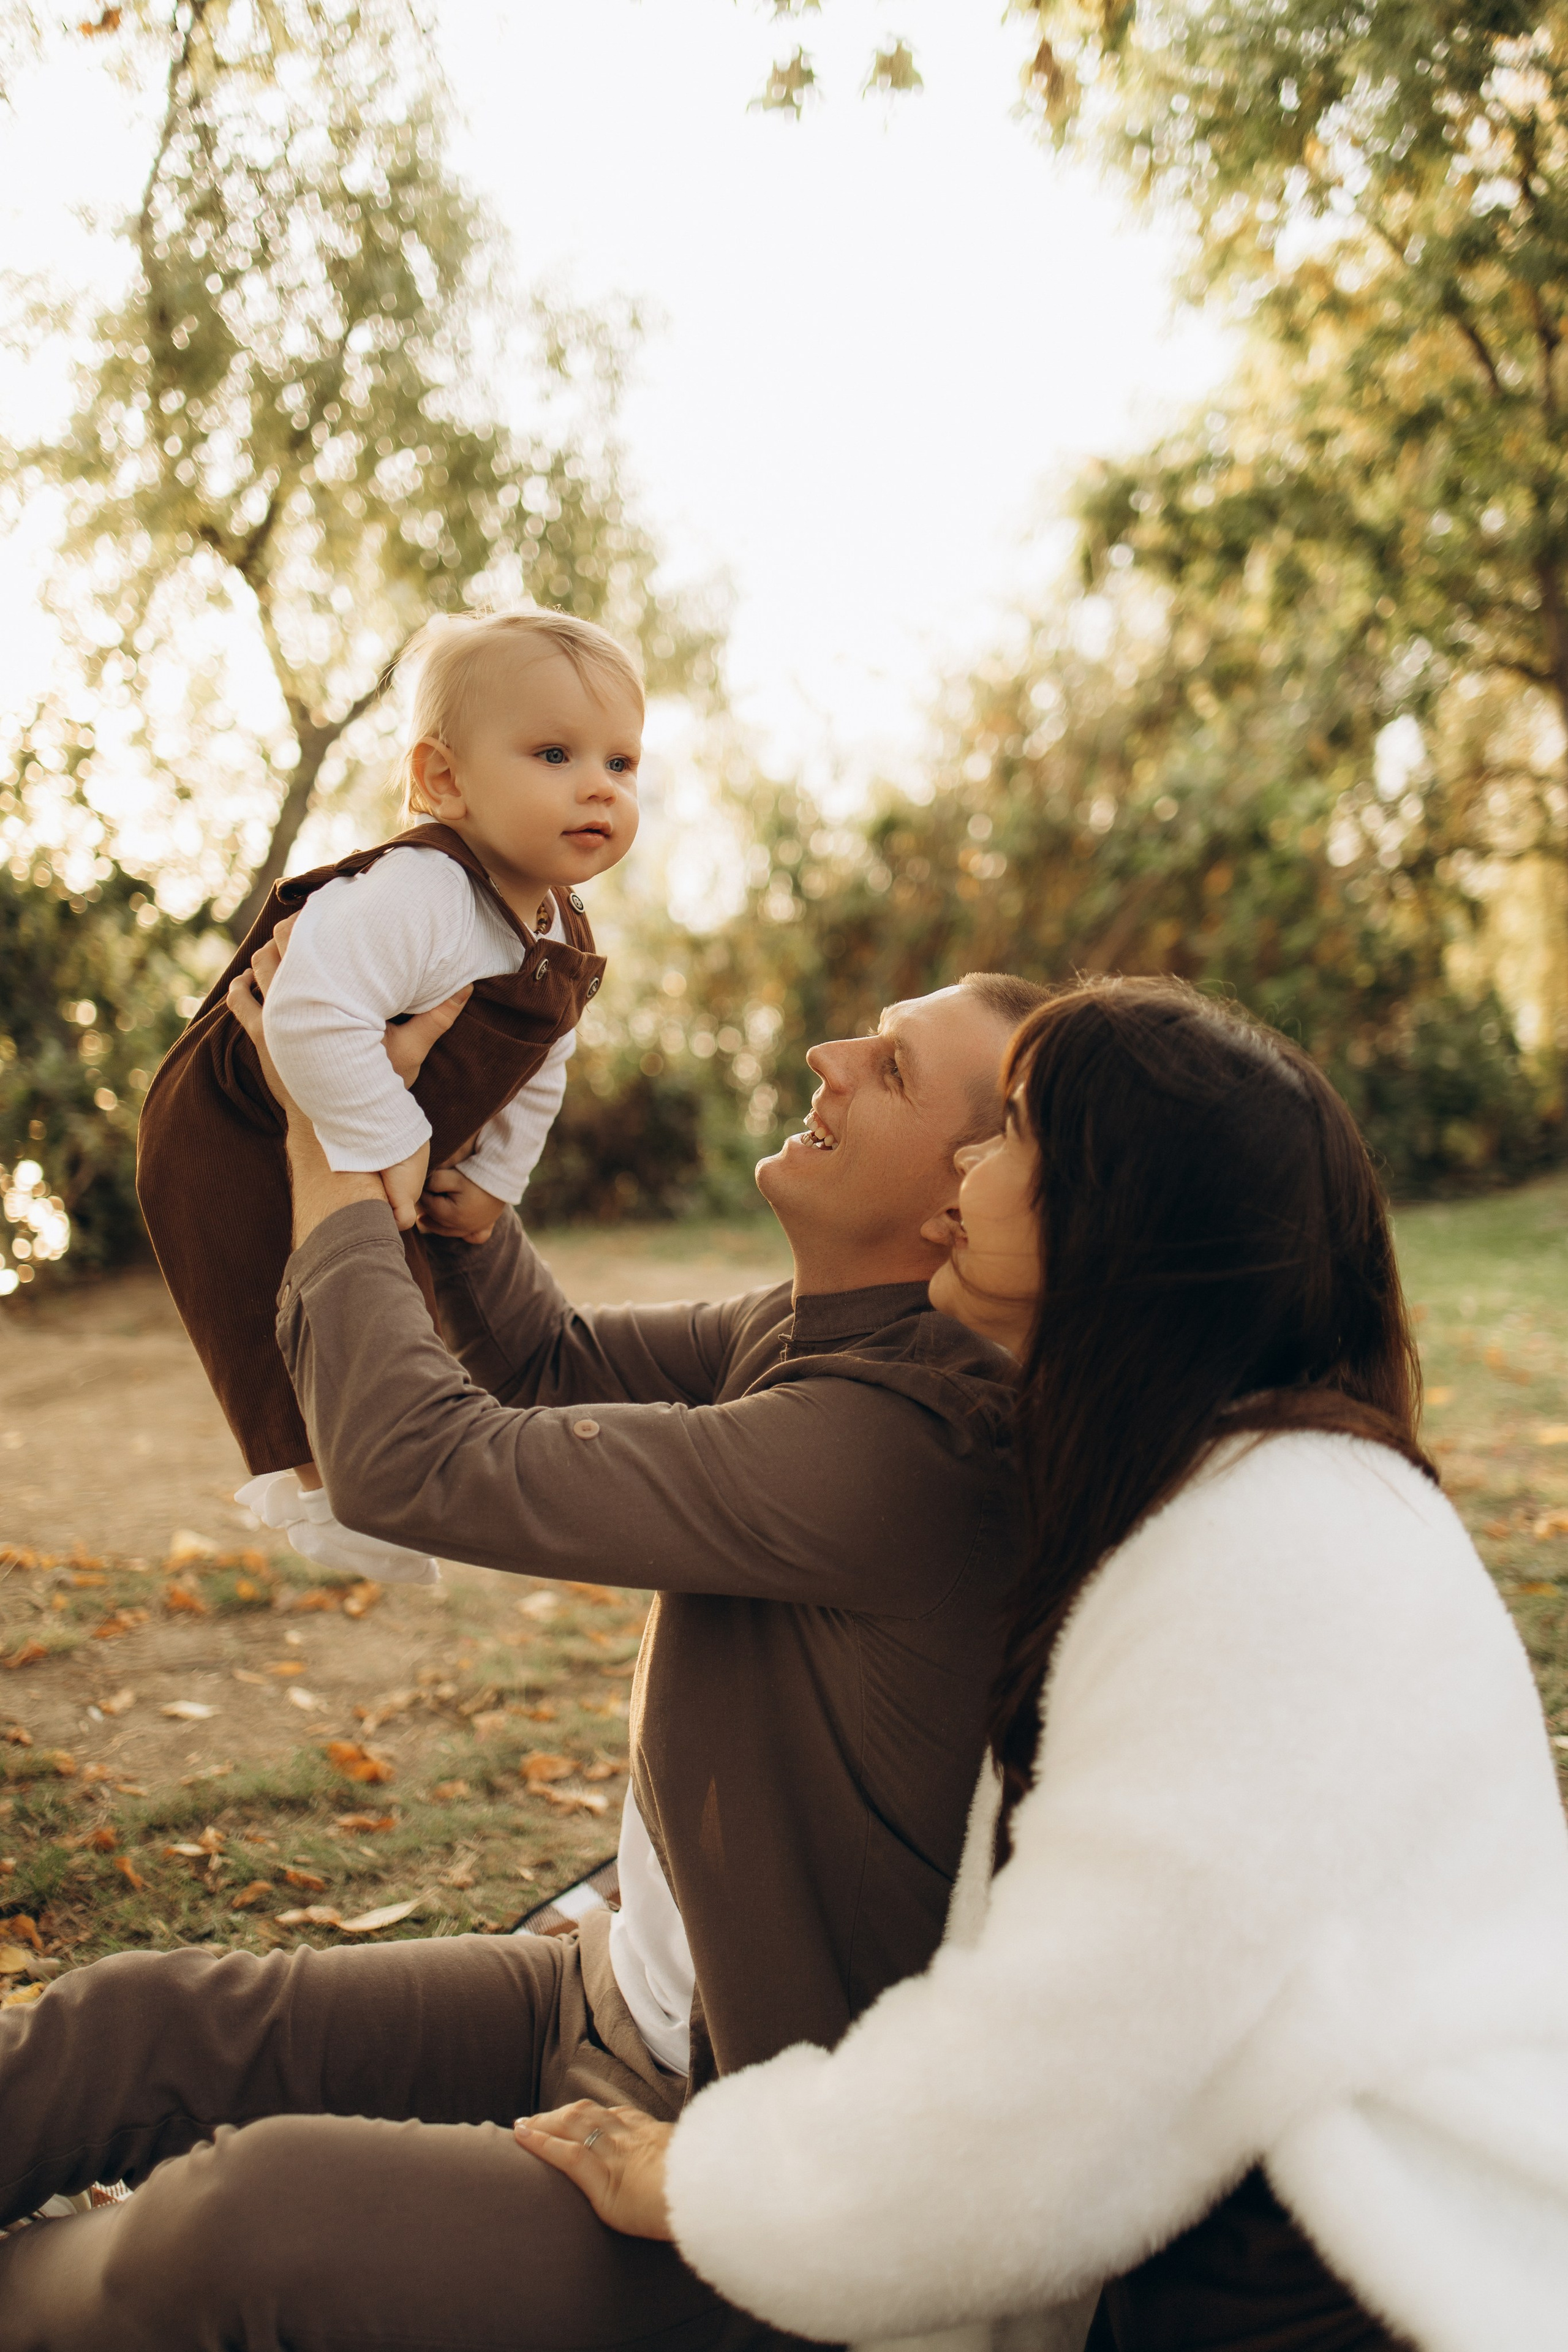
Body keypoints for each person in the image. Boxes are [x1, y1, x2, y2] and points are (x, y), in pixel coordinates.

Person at [0, 957, 1045, 2352]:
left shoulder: (901, 1447)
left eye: (892, 1066)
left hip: (740, 2162)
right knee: (133, 2027)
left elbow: (413, 1462)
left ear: (964, 1190)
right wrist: (460, 1204)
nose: (827, 1056)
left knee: (240, 2227)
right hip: (599, 1998)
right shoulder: (812, 1331)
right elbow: (548, 1364)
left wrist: (333, 1148)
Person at [517, 978, 1568, 2352]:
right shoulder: (1230, 1494)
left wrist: (708, 2182)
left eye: (1009, 1127)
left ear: (1119, 1216)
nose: (964, 1160)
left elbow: (1057, 2082)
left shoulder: (1269, 1555)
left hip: (1363, 2297)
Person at [136, 605, 637, 1585]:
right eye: (554, 754)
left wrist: (495, 1177)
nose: (599, 786)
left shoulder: (556, 922)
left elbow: (548, 1053)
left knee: (389, 1304)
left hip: (367, 1105)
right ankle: (326, 1489)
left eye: (622, 762)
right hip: (233, 1121)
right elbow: (307, 1012)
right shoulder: (422, 892)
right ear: (444, 780)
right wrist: (394, 1139)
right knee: (274, 1298)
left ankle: (369, 1484)